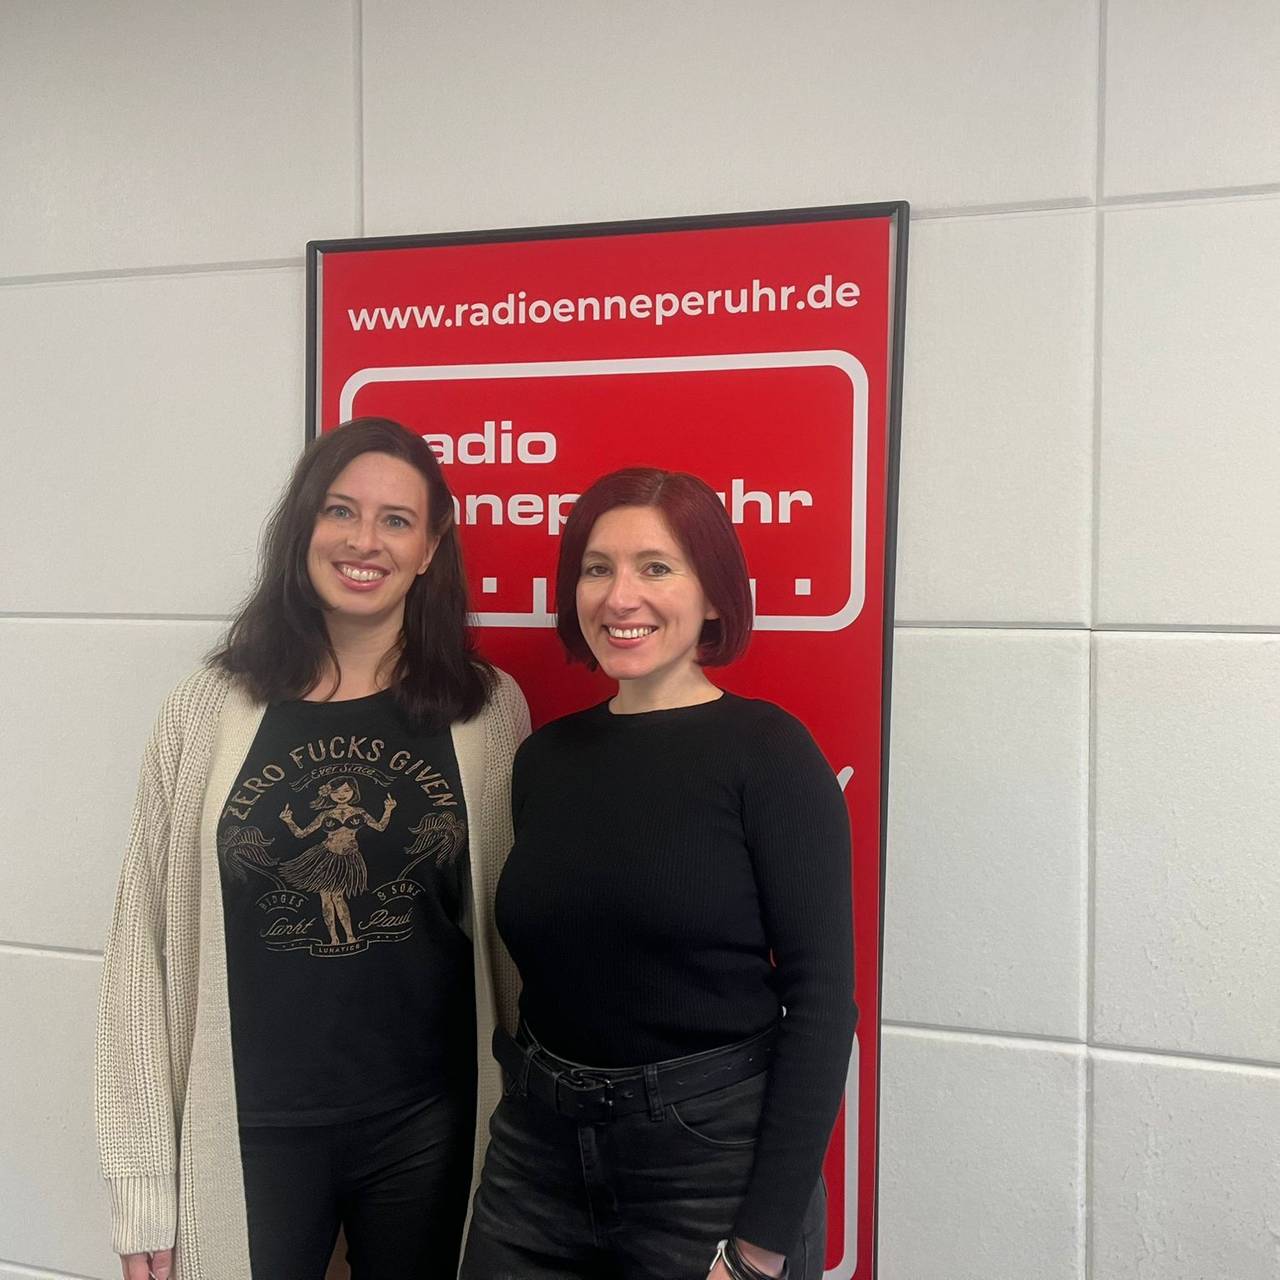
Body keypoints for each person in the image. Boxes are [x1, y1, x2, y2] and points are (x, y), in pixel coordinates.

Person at [95, 418, 528, 1280]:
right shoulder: (205, 707)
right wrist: (140, 1179)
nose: (365, 541)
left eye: (396, 520)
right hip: (249, 1130)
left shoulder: (486, 710)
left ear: (431, 546)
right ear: (304, 524)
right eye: (341, 510)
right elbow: (139, 947)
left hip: (429, 1129)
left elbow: (514, 946)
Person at [461, 467, 856, 1280]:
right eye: (596, 568)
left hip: (709, 1171)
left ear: (712, 596)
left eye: (656, 567)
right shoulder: (545, 759)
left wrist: (760, 1248)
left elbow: (821, 1004)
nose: (620, 596)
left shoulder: (770, 753)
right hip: (534, 1162)